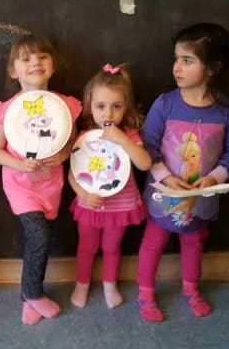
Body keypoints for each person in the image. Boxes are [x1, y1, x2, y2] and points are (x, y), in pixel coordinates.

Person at [138, 23, 229, 322]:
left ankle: (191, 290)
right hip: (164, 194)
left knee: (194, 242)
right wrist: (165, 177)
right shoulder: (165, 103)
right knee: (153, 242)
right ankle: (145, 293)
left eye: (187, 61)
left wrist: (214, 178)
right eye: (176, 59)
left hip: (202, 198)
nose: (177, 67)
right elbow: (147, 146)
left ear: (213, 68)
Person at [0, 35, 82, 325]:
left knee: (40, 240)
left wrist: (63, 154)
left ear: (53, 66)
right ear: (13, 71)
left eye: (42, 57)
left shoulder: (65, 106)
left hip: (50, 185)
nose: (35, 63)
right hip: (20, 185)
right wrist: (19, 163)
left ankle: (29, 297)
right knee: (39, 236)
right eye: (26, 58)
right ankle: (32, 293)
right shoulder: (7, 109)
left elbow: (74, 142)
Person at [68, 64, 151, 309]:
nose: (108, 114)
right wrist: (82, 193)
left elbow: (145, 163)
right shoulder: (84, 136)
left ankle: (109, 284)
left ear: (126, 106)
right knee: (87, 246)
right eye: (101, 106)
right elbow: (73, 172)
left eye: (116, 106)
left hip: (121, 205)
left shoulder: (130, 134)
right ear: (90, 105)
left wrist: (123, 139)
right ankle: (81, 284)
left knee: (111, 247)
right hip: (90, 202)